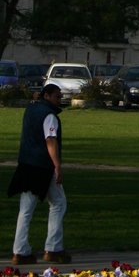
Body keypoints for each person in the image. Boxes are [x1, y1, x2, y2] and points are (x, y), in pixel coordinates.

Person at [8, 83, 70, 264]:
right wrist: (57, 165)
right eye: (57, 96)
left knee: (26, 209)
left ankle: (19, 251)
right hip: (43, 166)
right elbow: (50, 140)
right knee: (58, 203)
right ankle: (53, 248)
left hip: (26, 164)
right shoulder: (49, 115)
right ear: (47, 96)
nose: (60, 100)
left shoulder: (30, 109)